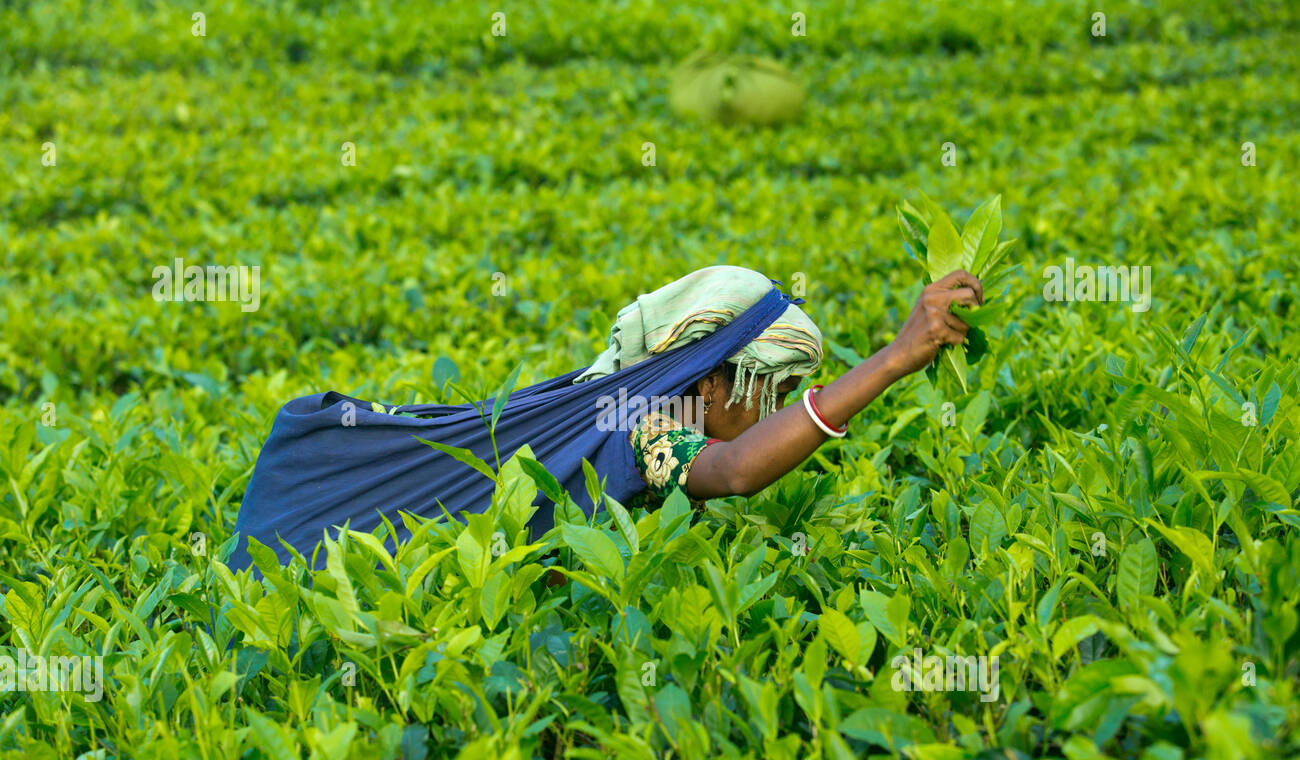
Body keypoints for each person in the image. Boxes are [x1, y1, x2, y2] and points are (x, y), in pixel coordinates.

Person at [226, 264, 981, 573]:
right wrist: (894, 359)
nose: (772, 412)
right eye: (770, 388)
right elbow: (737, 470)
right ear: (708, 378)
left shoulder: (608, 407)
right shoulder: (641, 420)